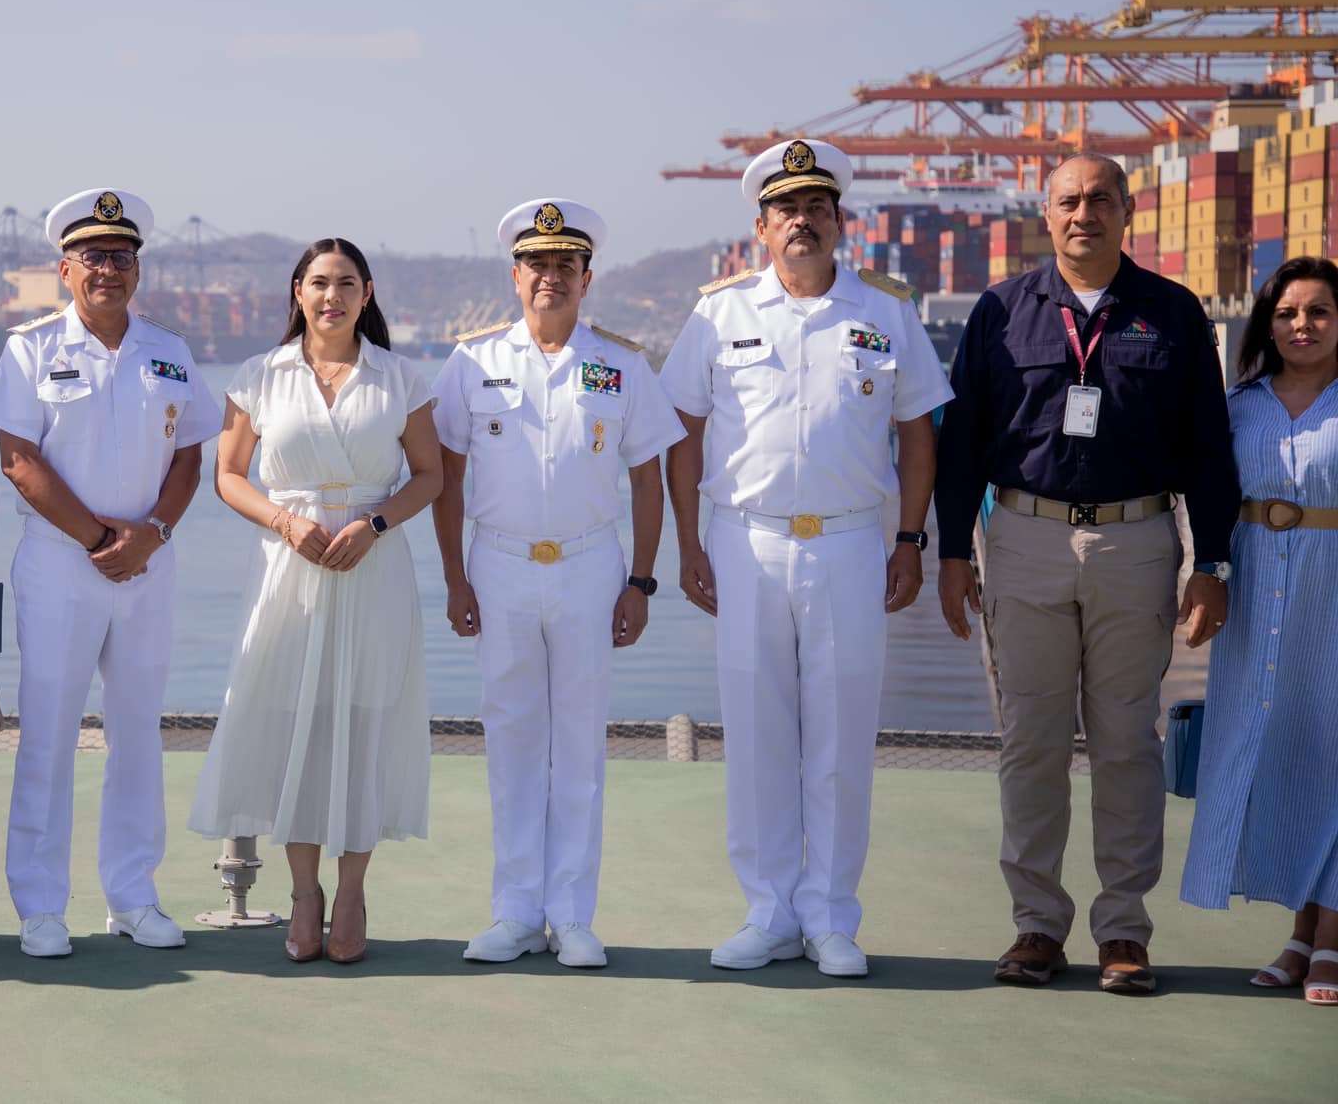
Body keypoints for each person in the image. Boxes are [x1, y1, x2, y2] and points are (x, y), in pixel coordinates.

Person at [935, 151, 1237, 995]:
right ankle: (1036, 927)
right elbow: (961, 447)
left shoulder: (1174, 314)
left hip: (1137, 544)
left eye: (1100, 199)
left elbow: (1210, 452)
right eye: (1068, 201)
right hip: (1023, 540)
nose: (1083, 214)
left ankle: (1123, 933)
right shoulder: (999, 312)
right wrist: (953, 554)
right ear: (1046, 212)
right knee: (1029, 741)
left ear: (1128, 210)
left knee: (1125, 744)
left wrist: (1210, 562)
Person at [659, 139, 952, 979]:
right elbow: (683, 434)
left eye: (817, 209)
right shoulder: (718, 314)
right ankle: (768, 911)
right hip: (746, 541)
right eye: (786, 211)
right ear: (761, 227)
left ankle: (830, 917)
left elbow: (918, 433)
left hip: (854, 542)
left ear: (839, 222)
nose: (802, 222)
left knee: (840, 736)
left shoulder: (886, 312)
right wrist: (689, 546)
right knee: (755, 734)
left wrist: (910, 539)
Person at [431, 198, 680, 970]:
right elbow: (443, 477)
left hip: (588, 566)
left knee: (579, 744)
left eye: (565, 265)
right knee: (510, 741)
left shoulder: (623, 363)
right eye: (537, 265)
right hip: (498, 565)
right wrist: (453, 579)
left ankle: (572, 914)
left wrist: (641, 579)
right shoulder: (471, 362)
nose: (551, 277)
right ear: (515, 276)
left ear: (586, 277)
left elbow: (650, 479)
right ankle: (512, 913)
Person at [189, 238, 442, 963]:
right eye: (319, 283)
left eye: (347, 284)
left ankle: (354, 888)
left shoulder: (401, 378)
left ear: (368, 295)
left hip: (373, 564)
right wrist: (285, 521)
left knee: (363, 722)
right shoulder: (258, 375)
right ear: (297, 291)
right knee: (296, 720)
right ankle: (305, 893)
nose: (332, 296)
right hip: (289, 564)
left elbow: (428, 476)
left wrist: (375, 523)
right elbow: (230, 476)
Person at [0, 188, 220, 958]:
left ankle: (133, 894)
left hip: (148, 565)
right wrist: (99, 541)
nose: (108, 270)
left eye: (120, 257)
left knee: (137, 734)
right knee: (47, 734)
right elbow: (18, 460)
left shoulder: (169, 351)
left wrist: (150, 536)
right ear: (65, 268)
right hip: (61, 565)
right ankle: (42, 904)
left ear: (137, 268)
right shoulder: (31, 350)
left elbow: (190, 455)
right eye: (93, 258)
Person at [1181, 257, 1338, 1008]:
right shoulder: (1238, 406)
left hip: (1330, 590)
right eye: (1287, 313)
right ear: (1265, 324)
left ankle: (1329, 939)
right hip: (1255, 594)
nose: (1301, 326)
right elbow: (1209, 494)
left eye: (1318, 313)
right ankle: (1303, 934)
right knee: (1283, 760)